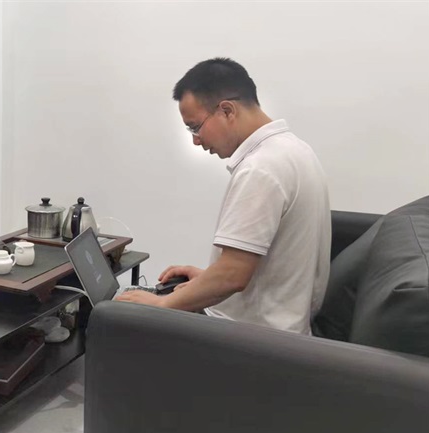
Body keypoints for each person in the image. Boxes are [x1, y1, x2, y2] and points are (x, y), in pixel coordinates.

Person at [117, 58, 330, 334]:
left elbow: (233, 275)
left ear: (227, 110)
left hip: (252, 341)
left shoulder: (261, 169)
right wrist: (207, 279)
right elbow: (263, 267)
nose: (195, 140)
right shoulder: (296, 150)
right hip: (283, 328)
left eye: (195, 127)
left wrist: (162, 304)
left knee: (119, 319)